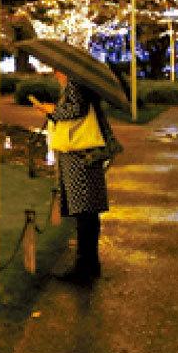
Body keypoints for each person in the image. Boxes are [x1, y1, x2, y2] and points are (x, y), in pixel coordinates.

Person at [29, 70, 117, 283]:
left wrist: (52, 110)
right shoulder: (80, 83)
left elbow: (77, 109)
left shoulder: (75, 83)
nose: (54, 73)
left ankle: (84, 268)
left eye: (56, 70)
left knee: (84, 212)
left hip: (79, 155)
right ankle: (89, 263)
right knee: (88, 212)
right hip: (84, 155)